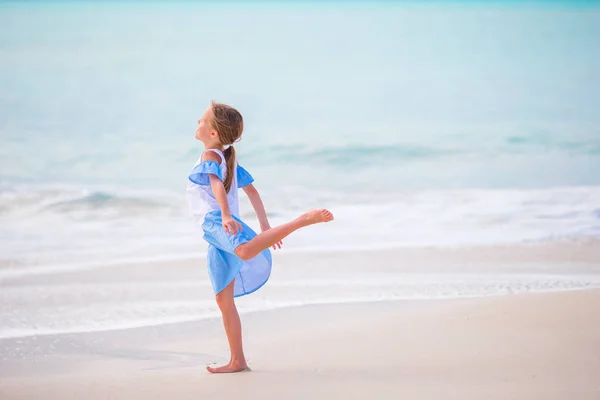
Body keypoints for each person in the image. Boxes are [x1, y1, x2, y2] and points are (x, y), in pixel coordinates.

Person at [186, 101, 334, 373]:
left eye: (203, 120)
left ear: (214, 133)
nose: (198, 122)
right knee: (222, 299)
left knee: (244, 251)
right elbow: (252, 192)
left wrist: (227, 215)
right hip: (215, 230)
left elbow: (217, 186)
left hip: (217, 222)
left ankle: (303, 220)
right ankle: (237, 360)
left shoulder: (210, 157)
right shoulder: (225, 156)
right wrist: (264, 226)